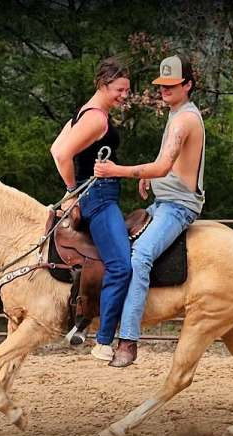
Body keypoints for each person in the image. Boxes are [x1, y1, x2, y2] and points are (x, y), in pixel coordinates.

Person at [94, 54, 205, 367]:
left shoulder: (184, 119)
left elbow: (163, 165)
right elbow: (166, 167)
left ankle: (128, 340)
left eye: (172, 85)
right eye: (162, 84)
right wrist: (148, 178)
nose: (165, 90)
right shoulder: (177, 112)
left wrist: (119, 171)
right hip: (166, 200)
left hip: (178, 206)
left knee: (140, 255)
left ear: (188, 85)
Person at [50, 58, 132, 362]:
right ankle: (103, 341)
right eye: (120, 89)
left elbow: (55, 147)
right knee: (121, 265)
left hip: (97, 193)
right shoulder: (97, 118)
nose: (124, 95)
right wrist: (73, 191)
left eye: (127, 90)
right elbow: (61, 153)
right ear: (104, 83)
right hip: (99, 196)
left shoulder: (83, 113)